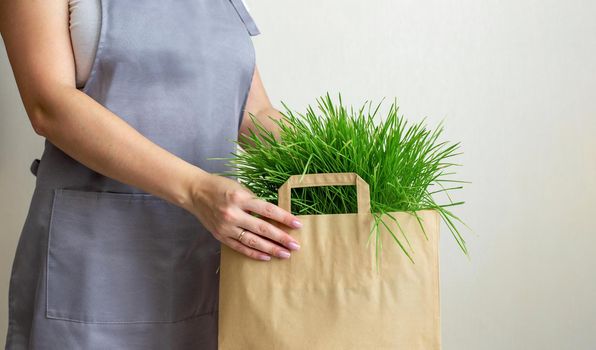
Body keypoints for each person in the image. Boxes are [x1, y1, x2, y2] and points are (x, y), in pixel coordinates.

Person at [0, 0, 303, 348]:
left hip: (206, 259)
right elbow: (48, 105)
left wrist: (333, 162)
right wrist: (195, 190)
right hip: (97, 267)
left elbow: (254, 114)